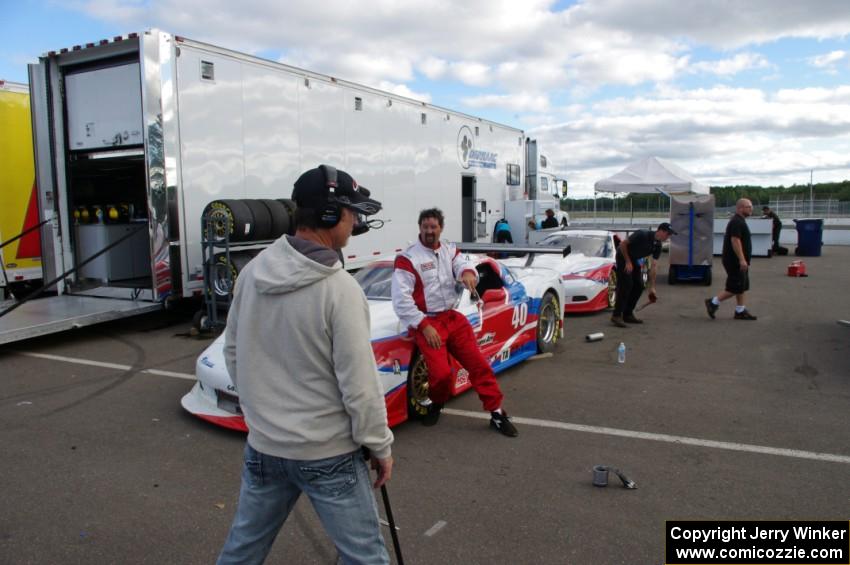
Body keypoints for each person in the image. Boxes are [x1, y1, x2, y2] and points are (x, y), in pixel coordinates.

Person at [217, 165, 394, 565]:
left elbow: (233, 352)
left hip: (264, 447)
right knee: (366, 558)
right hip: (326, 454)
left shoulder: (252, 272)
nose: (354, 224)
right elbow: (360, 384)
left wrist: (262, 412)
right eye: (352, 214)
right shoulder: (340, 288)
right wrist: (380, 445)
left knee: (243, 550)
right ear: (331, 217)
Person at [391, 208, 519, 437]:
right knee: (440, 375)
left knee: (480, 366)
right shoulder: (408, 259)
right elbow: (401, 301)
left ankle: (497, 413)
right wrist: (424, 326)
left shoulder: (450, 249)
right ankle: (437, 402)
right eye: (425, 227)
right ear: (419, 227)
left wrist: (469, 273)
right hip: (428, 322)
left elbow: (462, 265)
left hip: (453, 318)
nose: (429, 231)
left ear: (441, 228)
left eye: (434, 227)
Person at [610, 222, 676, 328]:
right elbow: (622, 244)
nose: (669, 237)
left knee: (640, 285)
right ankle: (616, 315)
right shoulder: (642, 234)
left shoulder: (657, 245)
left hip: (634, 259)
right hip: (623, 256)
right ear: (661, 231)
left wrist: (652, 288)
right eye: (668, 234)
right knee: (627, 284)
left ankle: (628, 314)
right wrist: (627, 261)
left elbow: (654, 266)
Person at [705, 199, 757, 321]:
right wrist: (742, 260)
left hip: (738, 260)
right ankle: (713, 302)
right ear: (740, 208)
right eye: (748, 206)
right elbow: (735, 240)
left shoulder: (739, 221)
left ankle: (740, 310)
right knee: (735, 287)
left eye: (751, 206)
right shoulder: (736, 222)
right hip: (735, 261)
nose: (751, 209)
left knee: (741, 285)